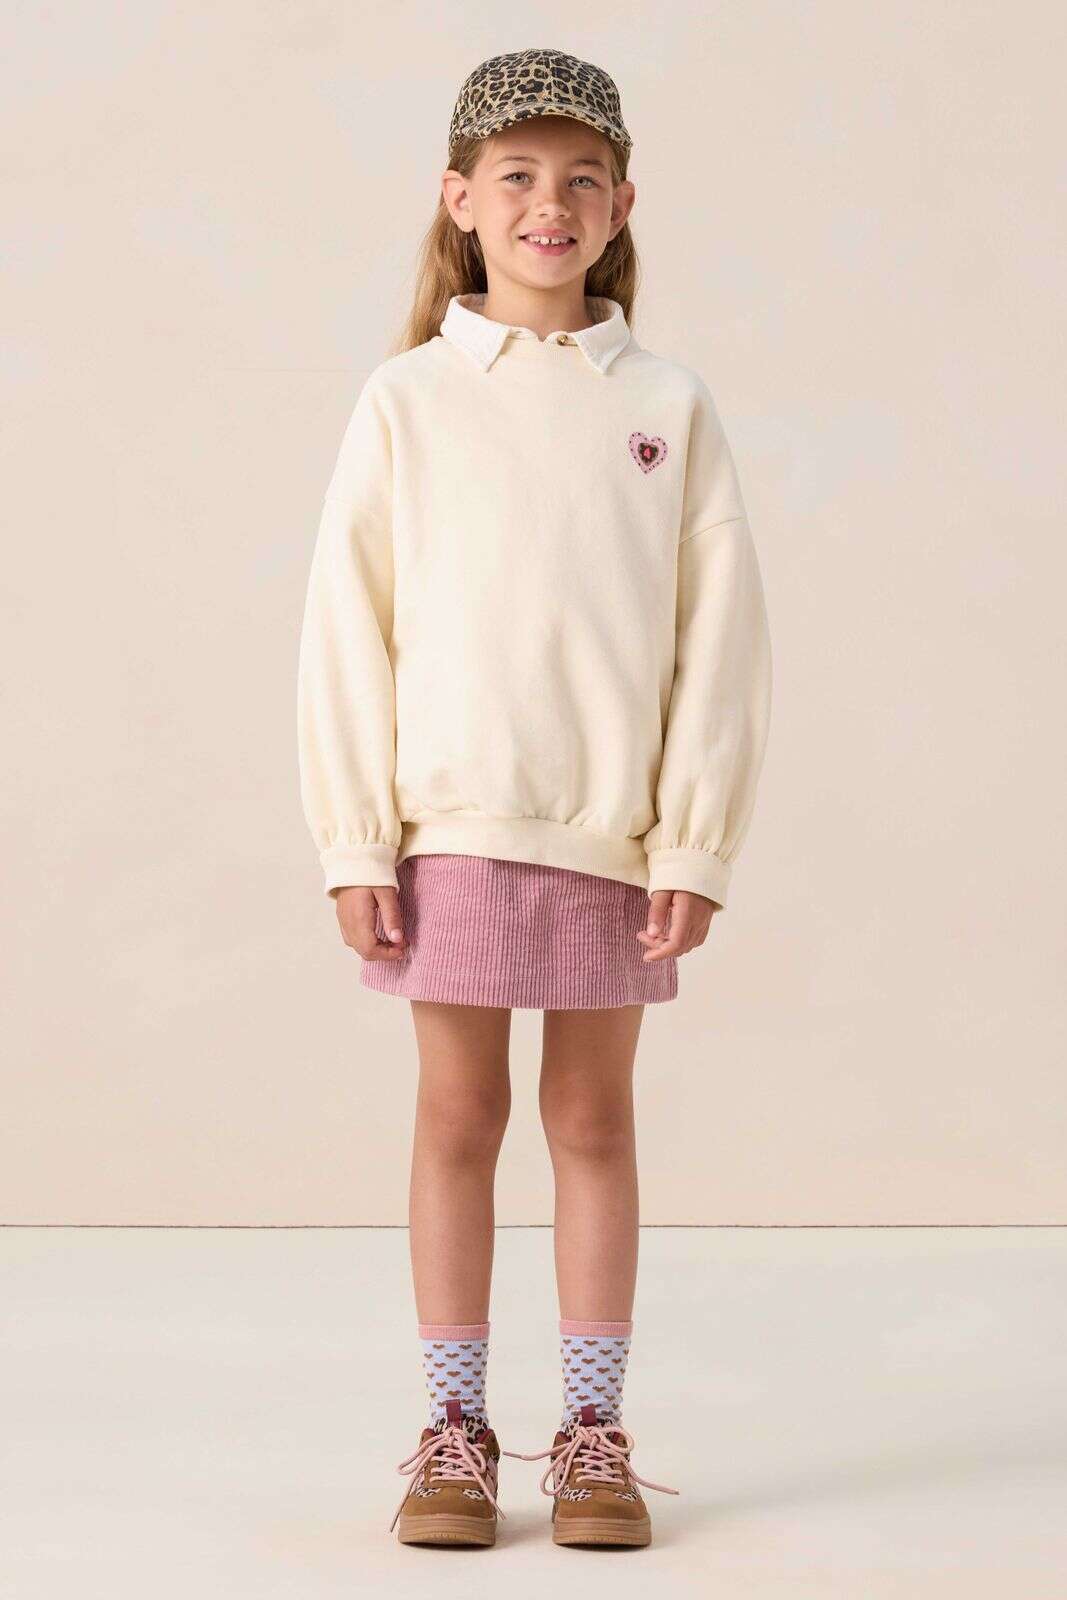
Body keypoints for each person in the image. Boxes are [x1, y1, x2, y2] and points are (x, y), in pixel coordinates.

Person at [296, 46, 772, 1550]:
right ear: (460, 198)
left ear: (622, 204)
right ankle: (453, 1433)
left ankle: (591, 1433)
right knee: (458, 1114)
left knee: (591, 1118)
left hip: (609, 840)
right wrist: (354, 837)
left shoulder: (668, 406)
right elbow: (348, 626)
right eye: (516, 175)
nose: (546, 203)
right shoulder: (407, 401)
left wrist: (693, 840)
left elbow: (719, 638)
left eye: (579, 178)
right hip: (447, 830)